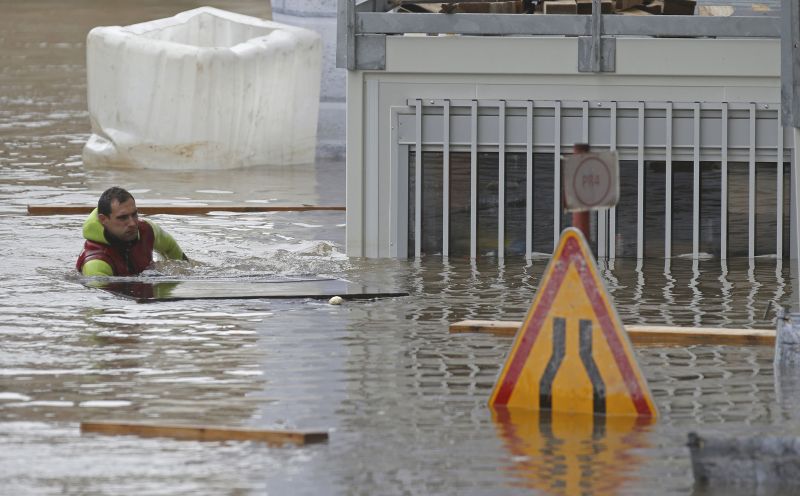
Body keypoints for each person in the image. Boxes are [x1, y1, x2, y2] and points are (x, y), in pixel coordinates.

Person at [76, 186, 187, 276]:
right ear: (103, 219)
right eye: (123, 217)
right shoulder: (96, 265)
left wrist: (180, 270)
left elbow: (173, 251)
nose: (133, 223)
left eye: (134, 214)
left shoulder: (147, 230)